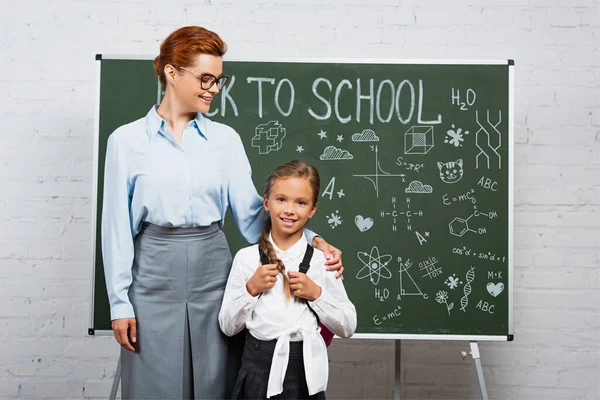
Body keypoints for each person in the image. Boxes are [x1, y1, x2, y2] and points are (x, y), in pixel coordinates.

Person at [100, 26, 344, 399]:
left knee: (216, 383)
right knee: (153, 386)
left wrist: (315, 244)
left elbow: (252, 217)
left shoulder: (225, 140)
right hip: (150, 278)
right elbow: (117, 230)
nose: (214, 88)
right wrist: (119, 303)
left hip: (214, 276)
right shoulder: (126, 142)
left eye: (218, 79)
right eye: (206, 78)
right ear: (172, 73)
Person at [218, 159, 357, 399]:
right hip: (257, 367)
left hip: (305, 369)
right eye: (281, 199)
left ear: (313, 209)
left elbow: (348, 325)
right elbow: (228, 326)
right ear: (266, 202)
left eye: (301, 202)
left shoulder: (322, 261)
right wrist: (251, 289)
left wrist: (317, 295)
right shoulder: (246, 259)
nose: (290, 210)